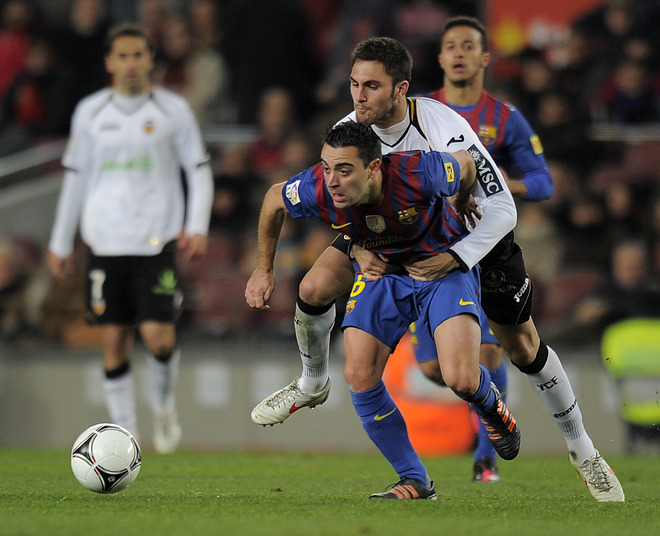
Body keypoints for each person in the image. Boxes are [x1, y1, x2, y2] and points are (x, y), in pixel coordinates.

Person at [251, 34, 625, 502]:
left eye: (370, 87)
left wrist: (457, 252)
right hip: (396, 243)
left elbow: (501, 207)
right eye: (353, 85)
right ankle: (315, 384)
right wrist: (350, 243)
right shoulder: (351, 134)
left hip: (472, 238)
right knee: (316, 286)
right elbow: (338, 192)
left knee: (522, 348)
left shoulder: (441, 130)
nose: (358, 98)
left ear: (400, 89)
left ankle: (583, 451)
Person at [246, 120, 521, 499]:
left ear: (374, 168)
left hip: (438, 270)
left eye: (344, 170)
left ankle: (493, 410)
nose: (332, 181)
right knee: (359, 372)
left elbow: (468, 163)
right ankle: (415, 479)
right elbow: (275, 199)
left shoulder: (418, 171)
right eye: (326, 168)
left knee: (459, 377)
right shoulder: (317, 188)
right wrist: (263, 270)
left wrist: (459, 198)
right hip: (384, 275)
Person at [46, 23, 214, 454]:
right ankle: (126, 434)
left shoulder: (173, 110)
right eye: (122, 56)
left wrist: (197, 225)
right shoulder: (90, 112)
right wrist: (61, 242)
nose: (131, 64)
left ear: (150, 60)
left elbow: (197, 168)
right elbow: (76, 177)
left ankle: (163, 406)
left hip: (156, 241)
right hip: (105, 242)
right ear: (109, 62)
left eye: (138, 55)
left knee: (160, 336)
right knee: (115, 341)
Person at [418, 15, 555, 483]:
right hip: (430, 245)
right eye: (450, 45)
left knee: (490, 354)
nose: (458, 52)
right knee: (436, 369)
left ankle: (486, 458)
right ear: (440, 59)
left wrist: (498, 183)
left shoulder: (504, 118)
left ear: (483, 58)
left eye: (468, 45)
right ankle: (492, 418)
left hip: (485, 246)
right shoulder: (421, 112)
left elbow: (543, 181)